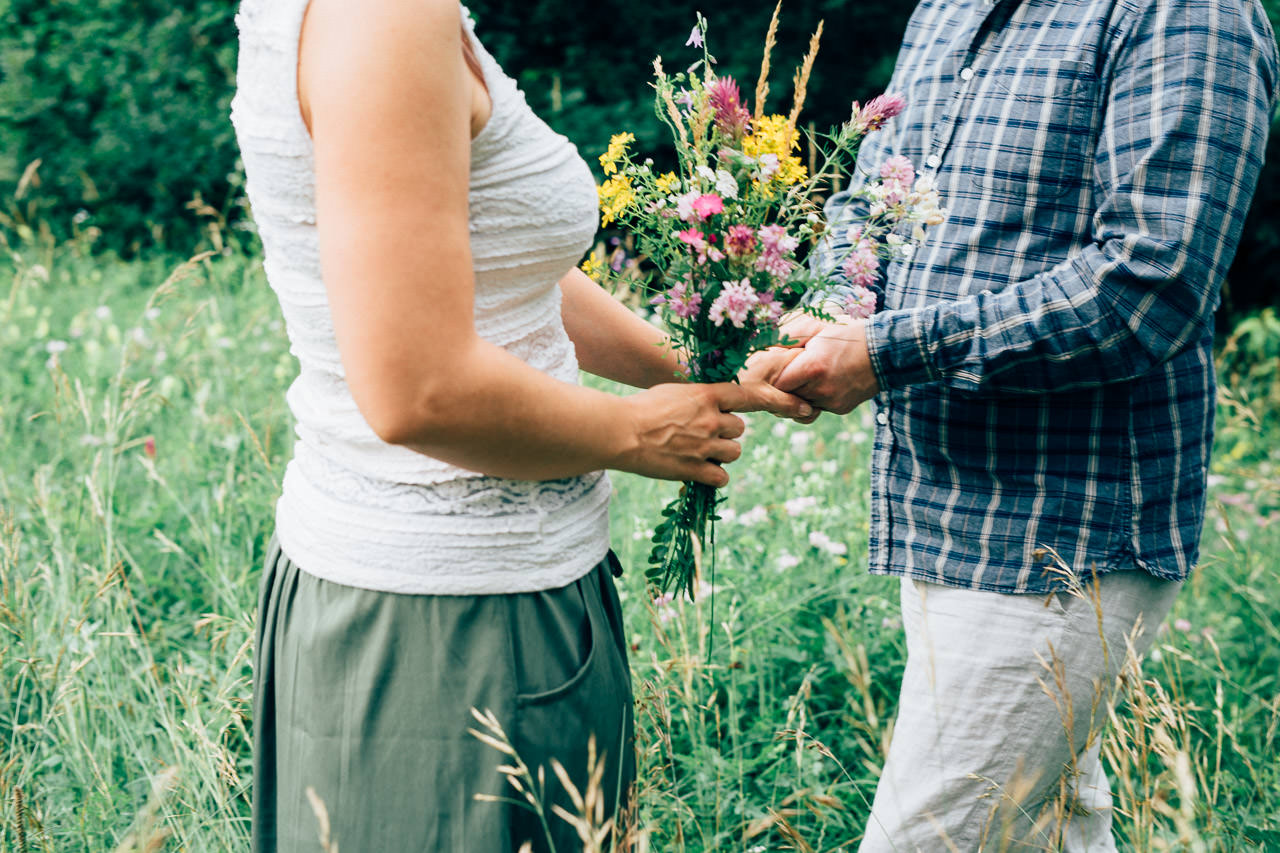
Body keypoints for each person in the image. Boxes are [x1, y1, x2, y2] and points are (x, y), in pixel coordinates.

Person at [230, 0, 811, 849]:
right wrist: (636, 433)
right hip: (448, 629)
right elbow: (417, 389)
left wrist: (698, 363)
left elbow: (491, 262)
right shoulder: (382, 18)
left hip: (486, 601)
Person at [753, 0, 1278, 848]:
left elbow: (1148, 286)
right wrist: (832, 313)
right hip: (942, 506)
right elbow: (870, 202)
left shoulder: (1187, 11)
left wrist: (885, 352)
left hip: (1066, 526)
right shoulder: (950, 9)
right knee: (1046, 828)